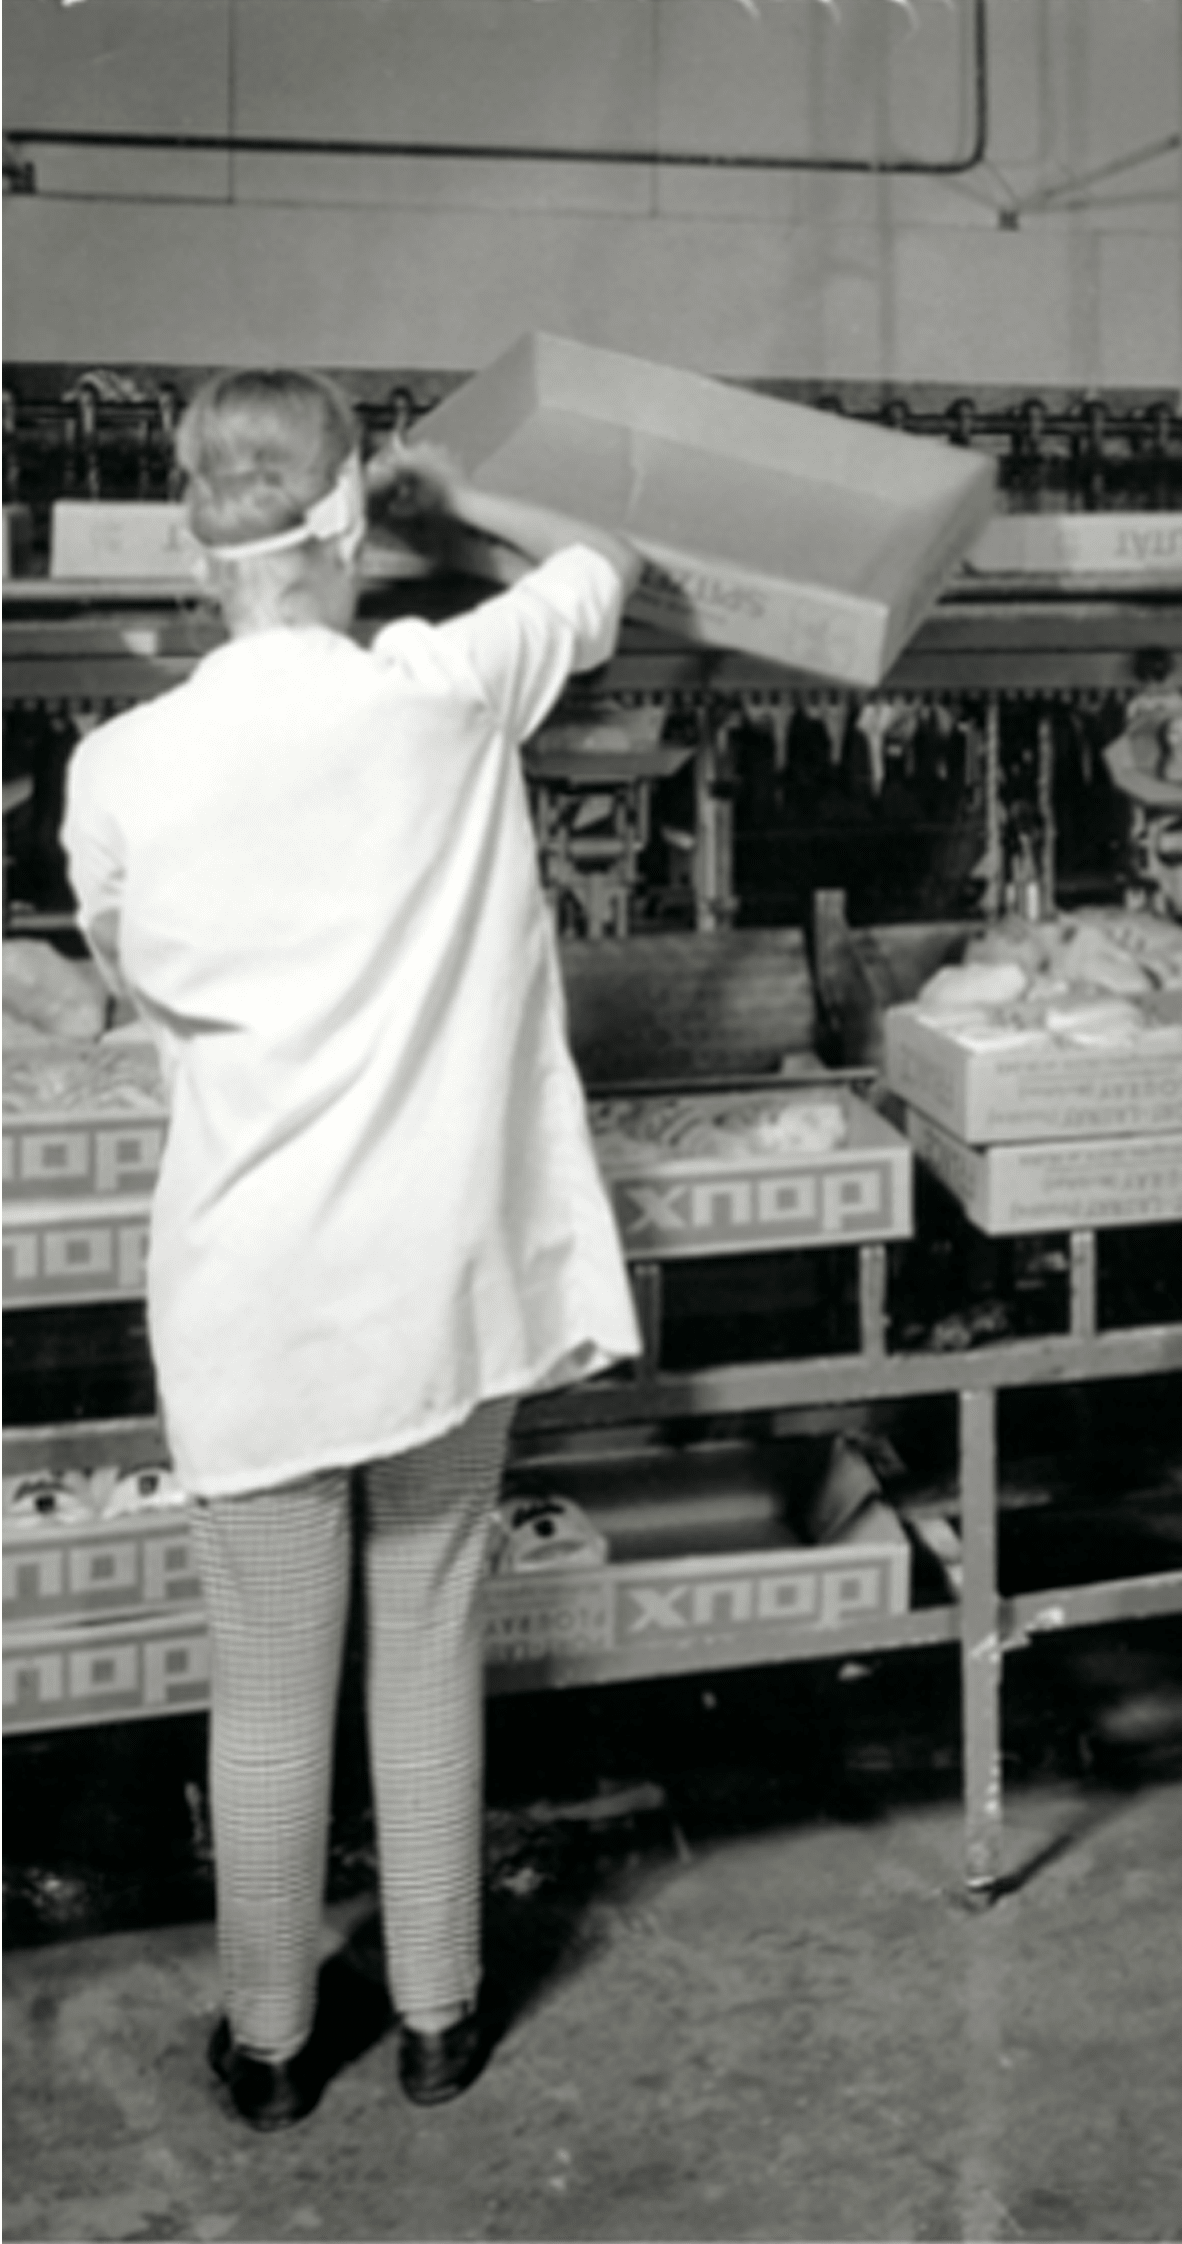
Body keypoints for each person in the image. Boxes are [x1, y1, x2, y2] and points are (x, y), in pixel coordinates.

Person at [62, 369, 645, 2128]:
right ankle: (440, 2014)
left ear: (194, 534)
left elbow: (130, 973)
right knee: (428, 1628)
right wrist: (449, 509)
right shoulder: (445, 686)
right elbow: (603, 565)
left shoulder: (119, 764)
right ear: (344, 526)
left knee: (266, 1675)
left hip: (255, 1287)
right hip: (439, 1284)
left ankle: (263, 2044)